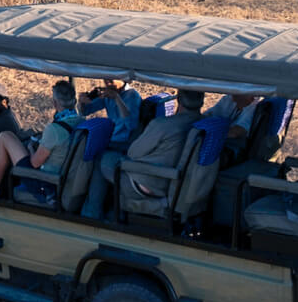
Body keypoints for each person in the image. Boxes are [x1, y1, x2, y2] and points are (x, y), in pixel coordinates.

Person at [83, 89, 206, 217]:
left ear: (178, 100)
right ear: (202, 101)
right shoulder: (203, 124)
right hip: (179, 184)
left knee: (102, 159)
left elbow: (133, 153)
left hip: (149, 183)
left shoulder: (163, 125)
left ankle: (92, 213)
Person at [0, 80, 79, 196]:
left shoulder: (55, 129)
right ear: (75, 101)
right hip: (59, 177)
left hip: (44, 183)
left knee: (4, 137)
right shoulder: (79, 121)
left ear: (55, 103)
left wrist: (31, 147)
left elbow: (35, 163)